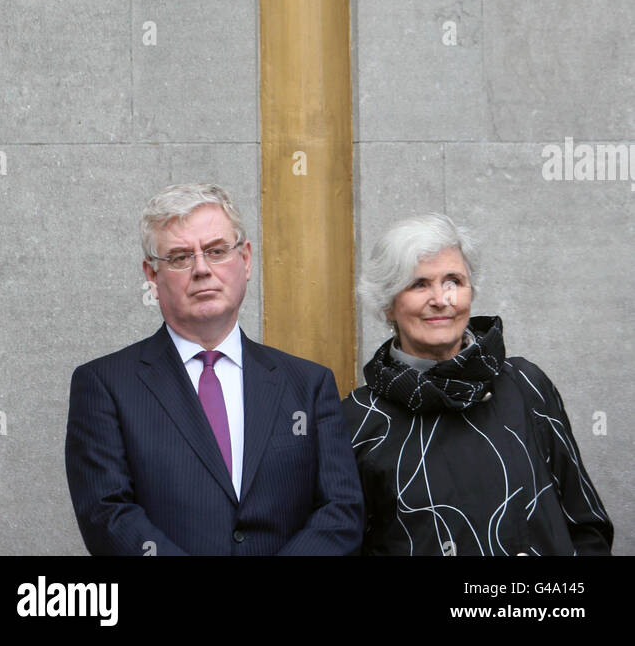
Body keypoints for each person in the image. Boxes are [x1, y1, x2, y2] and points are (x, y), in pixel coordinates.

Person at [65, 183, 364, 556]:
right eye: (179, 257)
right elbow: (106, 515)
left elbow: (341, 513)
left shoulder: (308, 384)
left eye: (216, 251)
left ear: (247, 259)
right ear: (152, 276)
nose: (202, 269)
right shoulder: (105, 386)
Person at [342, 213, 613, 557]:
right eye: (419, 284)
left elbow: (587, 524)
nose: (441, 299)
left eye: (453, 280)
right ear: (387, 304)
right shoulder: (358, 419)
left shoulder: (527, 385)